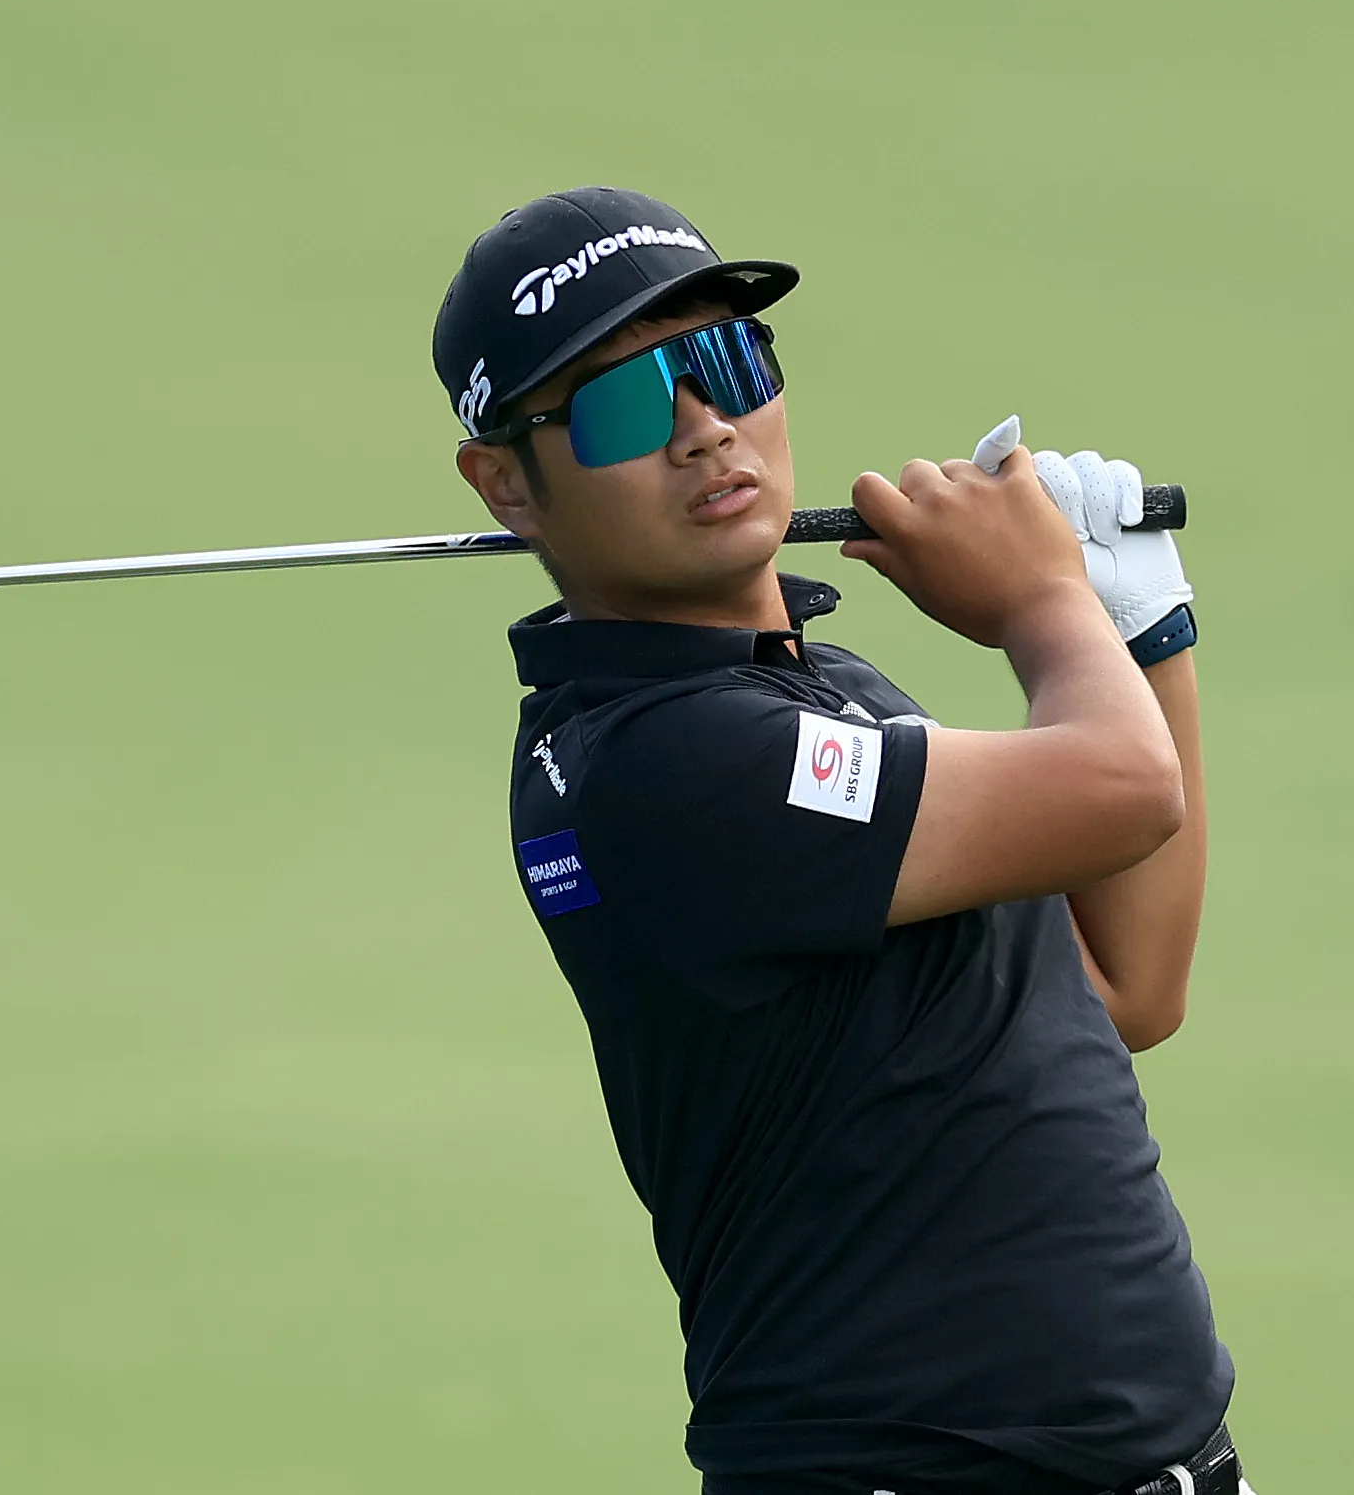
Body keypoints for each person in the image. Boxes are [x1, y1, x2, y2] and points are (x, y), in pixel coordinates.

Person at [431, 187, 1250, 1495]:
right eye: (621, 405)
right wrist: (1046, 597)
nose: (703, 429)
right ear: (506, 485)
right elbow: (1121, 787)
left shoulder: (816, 694)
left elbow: (1123, 990)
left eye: (725, 362)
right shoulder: (659, 761)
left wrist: (1139, 627)